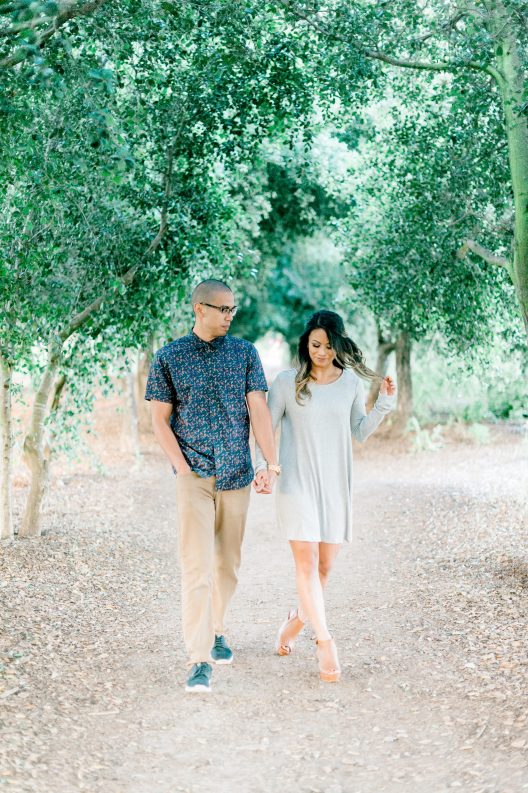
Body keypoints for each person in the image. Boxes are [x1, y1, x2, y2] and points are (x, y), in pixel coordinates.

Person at [145, 279, 280, 693]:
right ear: (198, 309)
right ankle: (198, 657)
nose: (228, 316)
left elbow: (258, 407)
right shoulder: (169, 357)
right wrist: (182, 468)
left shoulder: (244, 354)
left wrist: (270, 464)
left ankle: (218, 627)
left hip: (237, 474)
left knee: (227, 565)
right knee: (197, 567)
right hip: (194, 477)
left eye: (232, 310)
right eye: (221, 309)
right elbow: (158, 420)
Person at [254, 310, 396, 682]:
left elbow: (360, 432)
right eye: (315, 345)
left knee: (324, 569)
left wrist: (383, 403)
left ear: (338, 346)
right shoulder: (287, 383)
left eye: (328, 346)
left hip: (335, 485)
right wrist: (262, 467)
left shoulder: (349, 383)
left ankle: (296, 621)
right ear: (306, 344)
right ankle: (325, 641)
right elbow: (266, 431)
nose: (321, 352)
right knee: (306, 564)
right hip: (296, 483)